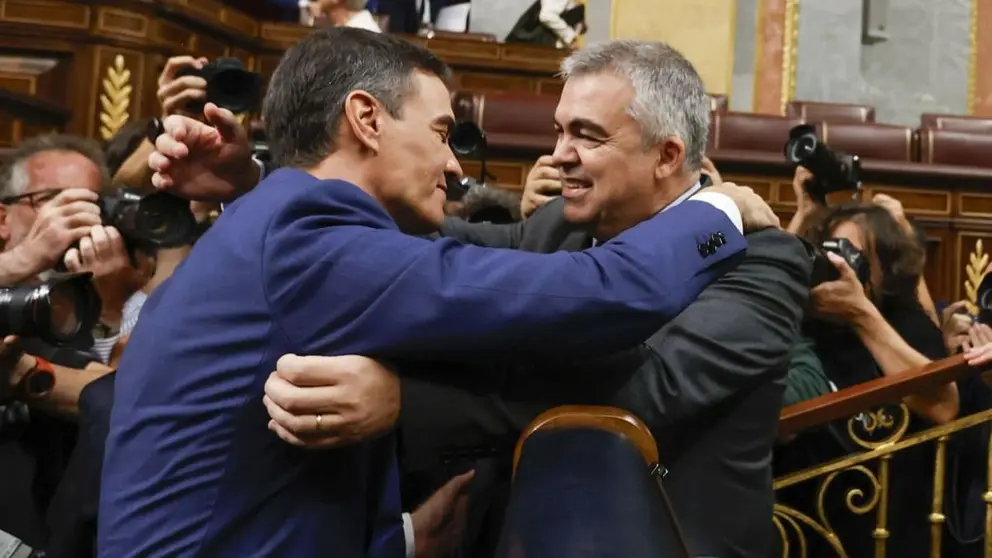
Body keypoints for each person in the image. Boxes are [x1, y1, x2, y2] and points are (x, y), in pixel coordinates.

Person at [103, 28, 778, 557]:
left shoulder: (283, 222)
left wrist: (402, 406)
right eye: (441, 132)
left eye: (587, 133)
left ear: (667, 154)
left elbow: (649, 375)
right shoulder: (306, 235)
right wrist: (719, 210)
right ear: (367, 119)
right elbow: (604, 292)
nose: (455, 165)